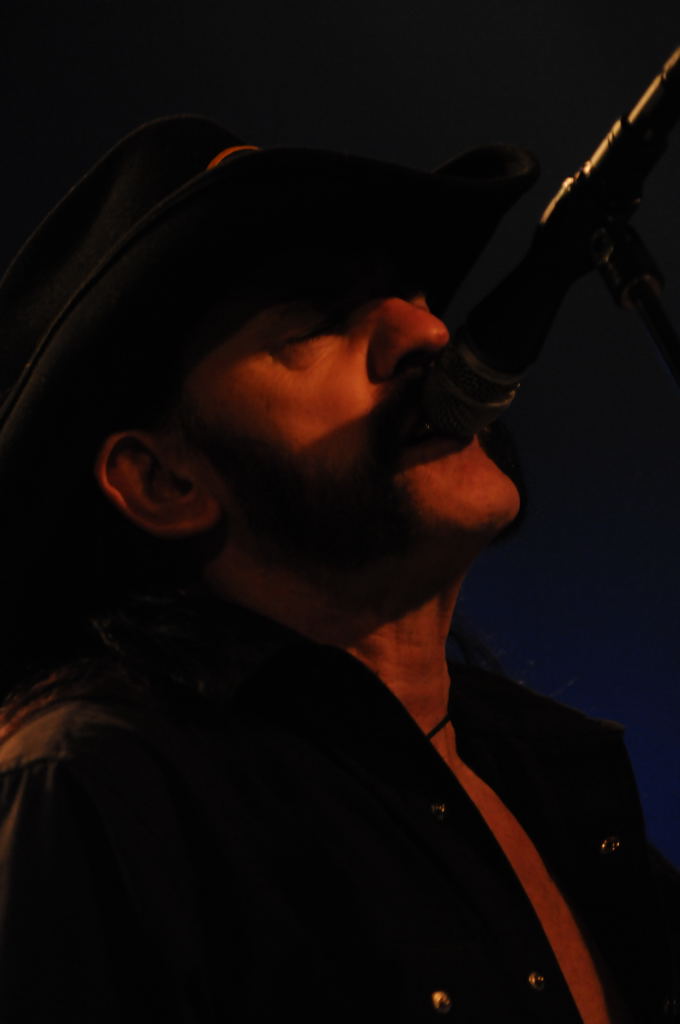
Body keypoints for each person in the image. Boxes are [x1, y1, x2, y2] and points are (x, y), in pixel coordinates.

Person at [0, 116, 676, 1023]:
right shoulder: (93, 794)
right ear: (163, 482)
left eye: (411, 292)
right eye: (319, 320)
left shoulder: (547, 772)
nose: (427, 330)